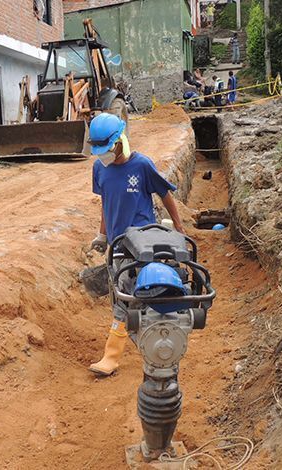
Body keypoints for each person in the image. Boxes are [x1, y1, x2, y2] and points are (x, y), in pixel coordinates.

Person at [87, 113, 186, 376]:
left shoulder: (142, 165)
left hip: (145, 244)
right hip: (119, 244)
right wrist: (102, 234)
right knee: (122, 295)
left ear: (120, 141)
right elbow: (105, 203)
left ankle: (117, 355)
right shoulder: (99, 168)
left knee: (143, 293)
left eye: (107, 149)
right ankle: (142, 339)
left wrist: (178, 227)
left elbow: (165, 194)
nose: (104, 155)